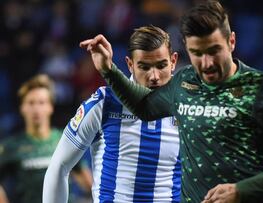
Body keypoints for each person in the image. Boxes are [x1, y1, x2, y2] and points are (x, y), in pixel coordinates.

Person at [80, 1, 263, 202]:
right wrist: (108, 70)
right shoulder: (183, 82)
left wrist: (240, 191)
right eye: (197, 53)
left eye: (214, 50)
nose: (206, 63)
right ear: (187, 49)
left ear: (231, 42)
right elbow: (144, 107)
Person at [43, 25, 181, 203]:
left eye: (161, 65)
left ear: (174, 61)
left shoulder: (188, 106)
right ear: (130, 64)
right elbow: (59, 166)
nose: (154, 76)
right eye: (144, 67)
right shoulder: (105, 102)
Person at [0, 74, 92, 203]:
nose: (36, 109)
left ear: (50, 107)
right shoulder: (11, 146)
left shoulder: (66, 140)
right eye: (31, 103)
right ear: (22, 108)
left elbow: (86, 181)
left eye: (41, 103)